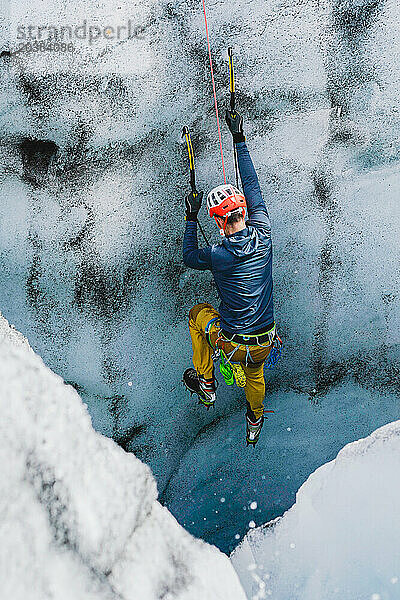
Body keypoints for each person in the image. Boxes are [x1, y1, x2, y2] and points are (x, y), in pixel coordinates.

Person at [182, 110, 277, 446]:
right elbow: (251, 185)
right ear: (244, 213)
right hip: (264, 343)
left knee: (197, 316)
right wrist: (239, 138)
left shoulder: (219, 255)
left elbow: (189, 257)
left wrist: (191, 217)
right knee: (255, 373)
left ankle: (207, 383)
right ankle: (254, 417)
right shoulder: (263, 231)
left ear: (220, 223)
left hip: (232, 344)